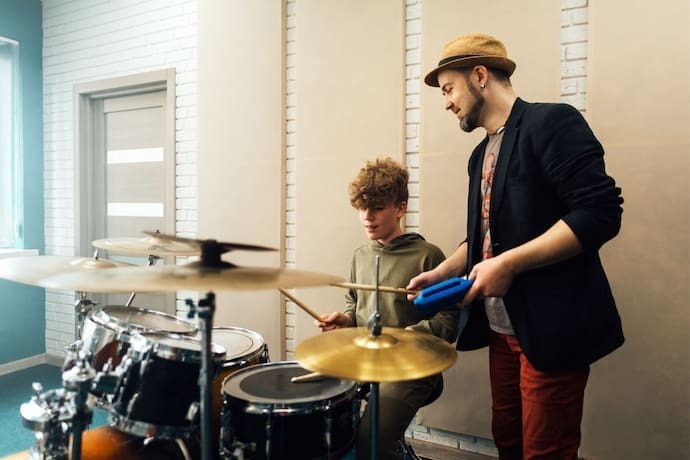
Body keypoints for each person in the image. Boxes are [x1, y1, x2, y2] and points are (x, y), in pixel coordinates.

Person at [407, 33, 625, 459]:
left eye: (449, 88)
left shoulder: (551, 122)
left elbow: (599, 212)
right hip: (500, 330)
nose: (446, 102)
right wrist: (443, 271)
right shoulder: (478, 155)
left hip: (550, 327)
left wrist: (509, 264)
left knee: (546, 451)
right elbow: (487, 234)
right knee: (508, 442)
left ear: (481, 75)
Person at [316, 157, 459, 460]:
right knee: (319, 415)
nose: (367, 217)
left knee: (371, 445)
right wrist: (346, 320)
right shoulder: (361, 256)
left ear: (400, 208)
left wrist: (412, 335)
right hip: (367, 359)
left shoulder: (428, 256)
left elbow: (450, 318)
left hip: (412, 368)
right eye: (361, 208)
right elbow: (355, 305)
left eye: (377, 208)